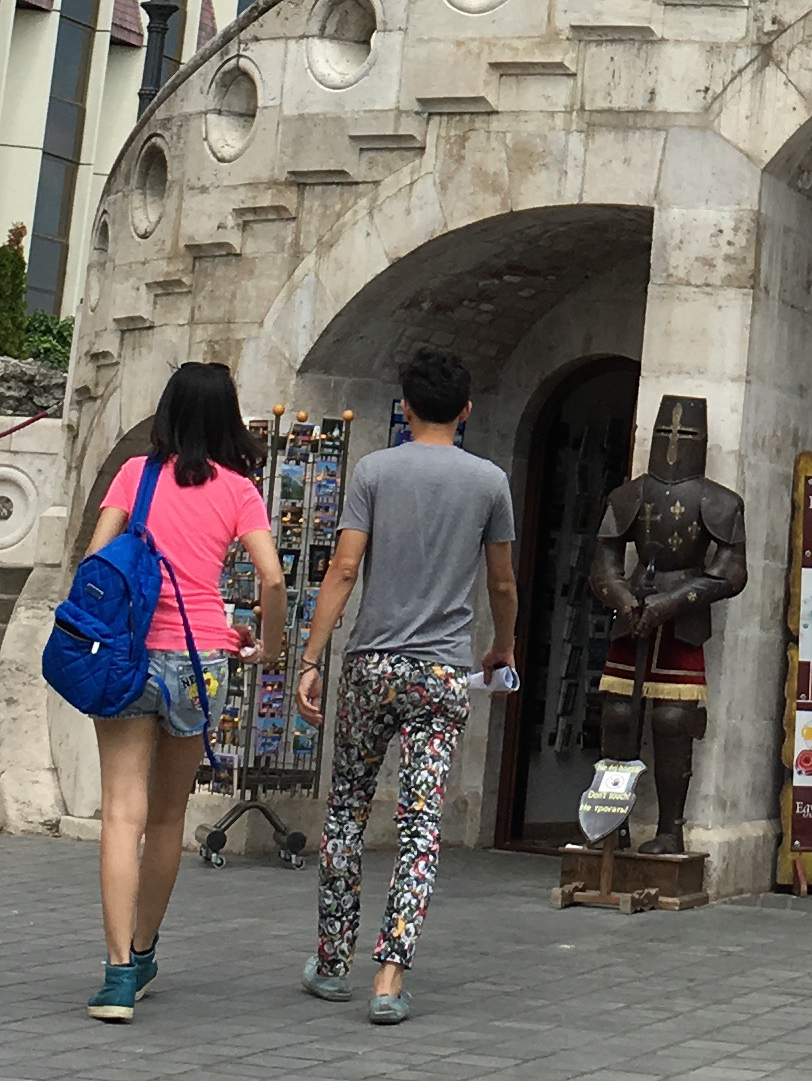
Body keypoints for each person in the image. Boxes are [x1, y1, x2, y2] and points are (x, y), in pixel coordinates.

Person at [293, 345, 516, 1022]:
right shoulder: (490, 483)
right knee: (421, 825)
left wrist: (312, 656)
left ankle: (333, 960)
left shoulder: (374, 471)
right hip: (443, 670)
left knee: (346, 810)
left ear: (407, 407)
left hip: (372, 664)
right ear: (466, 410)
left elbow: (343, 569)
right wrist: (501, 646)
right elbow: (502, 582)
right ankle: (389, 976)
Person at [84, 363, 285, 1021]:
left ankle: (117, 974)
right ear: (228, 417)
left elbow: (95, 560)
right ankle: (144, 951)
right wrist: (269, 646)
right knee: (169, 816)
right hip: (201, 661)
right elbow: (272, 579)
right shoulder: (238, 490)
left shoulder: (135, 475)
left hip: (128, 653)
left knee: (122, 812)